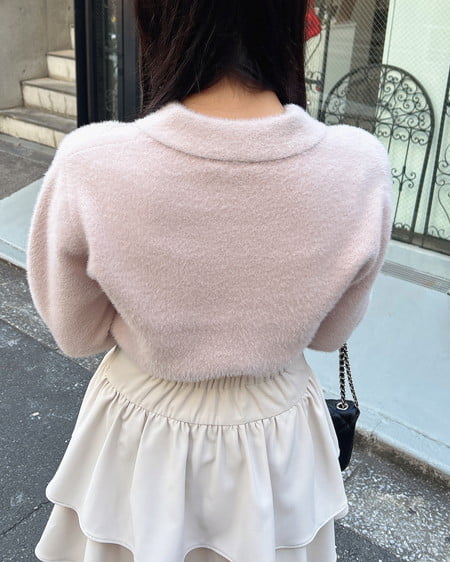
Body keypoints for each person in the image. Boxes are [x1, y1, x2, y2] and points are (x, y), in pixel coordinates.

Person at [28, 1, 393, 561]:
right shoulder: (359, 167)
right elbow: (329, 335)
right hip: (277, 433)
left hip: (142, 429)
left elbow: (77, 334)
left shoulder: (92, 164)